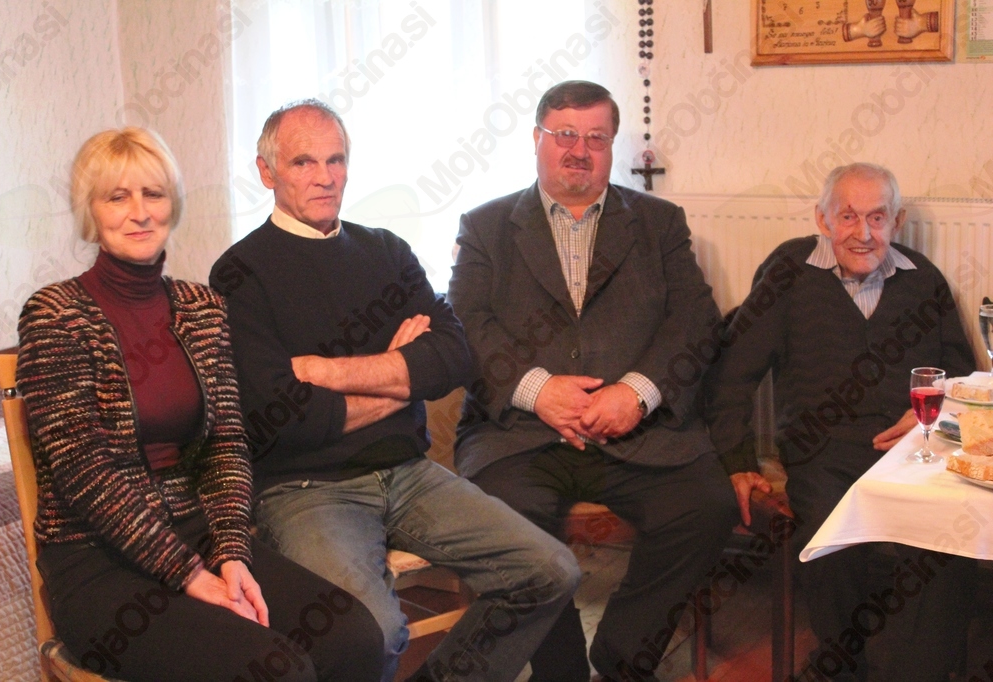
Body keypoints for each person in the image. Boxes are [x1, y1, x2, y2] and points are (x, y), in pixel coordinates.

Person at [210, 100, 581, 682]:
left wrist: (325, 372)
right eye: (304, 162)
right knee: (373, 633)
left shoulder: (387, 250)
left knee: (551, 570)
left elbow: (453, 357)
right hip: (307, 488)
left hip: (409, 472)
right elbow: (285, 418)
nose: (325, 177)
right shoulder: (239, 272)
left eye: (336, 160)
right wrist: (404, 376)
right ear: (267, 172)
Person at [16, 128, 384, 682]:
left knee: (353, 638)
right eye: (117, 197)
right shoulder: (54, 315)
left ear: (173, 203)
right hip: (97, 561)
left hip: (201, 534)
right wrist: (189, 575)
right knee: (276, 670)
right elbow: (83, 471)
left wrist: (232, 553)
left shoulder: (203, 308)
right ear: (90, 210)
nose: (140, 212)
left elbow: (227, 444)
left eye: (154, 194)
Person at [447, 80, 739, 682]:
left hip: (639, 432)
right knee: (509, 524)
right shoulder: (486, 226)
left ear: (610, 146)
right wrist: (538, 390)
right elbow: (467, 324)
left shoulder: (659, 223)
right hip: (520, 435)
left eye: (596, 138)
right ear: (536, 139)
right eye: (565, 135)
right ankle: (562, 671)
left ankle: (623, 654)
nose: (579, 150)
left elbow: (695, 321)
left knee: (707, 507)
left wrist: (637, 392)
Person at [707, 162, 976, 681]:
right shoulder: (788, 273)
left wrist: (928, 412)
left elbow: (959, 376)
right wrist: (737, 460)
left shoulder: (923, 279)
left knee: (947, 541)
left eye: (877, 217)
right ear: (823, 218)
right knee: (833, 536)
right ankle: (843, 667)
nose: (863, 233)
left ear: (896, 221)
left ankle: (919, 671)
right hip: (822, 450)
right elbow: (733, 373)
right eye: (848, 216)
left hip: (910, 449)